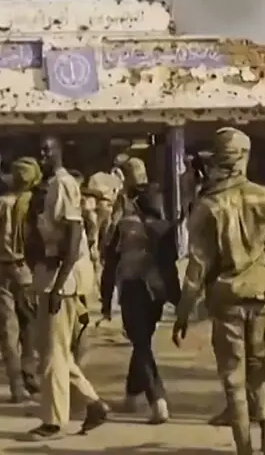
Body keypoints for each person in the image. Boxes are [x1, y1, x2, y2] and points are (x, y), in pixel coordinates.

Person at [172, 127, 265, 455]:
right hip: (263, 297)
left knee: (233, 379)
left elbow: (196, 267)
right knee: (259, 368)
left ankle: (245, 448)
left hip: (226, 300)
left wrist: (183, 312)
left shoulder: (208, 205)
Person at [26, 136, 108, 441]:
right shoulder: (50, 188)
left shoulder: (62, 185)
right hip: (55, 275)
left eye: (48, 150)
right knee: (56, 352)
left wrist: (59, 286)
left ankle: (54, 422)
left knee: (52, 357)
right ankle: (94, 404)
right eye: (41, 150)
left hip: (63, 279)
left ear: (59, 152)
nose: (43, 154)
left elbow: (73, 236)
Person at [98, 156, 179, 424]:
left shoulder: (123, 219)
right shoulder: (160, 214)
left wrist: (105, 298)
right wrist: (176, 297)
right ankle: (132, 395)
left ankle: (158, 400)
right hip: (156, 289)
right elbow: (171, 260)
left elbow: (110, 260)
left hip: (133, 285)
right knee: (141, 340)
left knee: (140, 343)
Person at [0, 157, 42, 402]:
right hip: (27, 269)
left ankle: (16, 386)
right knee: (30, 324)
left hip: (0, 268)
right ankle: (30, 370)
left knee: (7, 329)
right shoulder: (34, 202)